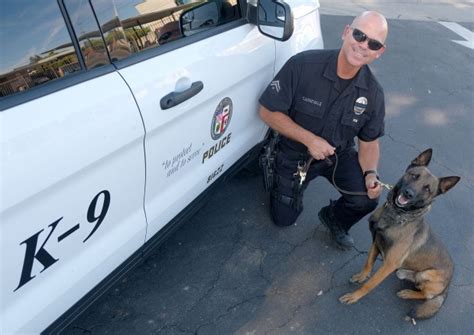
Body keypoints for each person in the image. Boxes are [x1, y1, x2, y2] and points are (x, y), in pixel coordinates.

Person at [258, 11, 389, 250]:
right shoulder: (303, 65)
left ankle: (334, 218)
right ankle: (284, 179)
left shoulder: (373, 94)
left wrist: (371, 173)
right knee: (283, 219)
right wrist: (309, 140)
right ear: (346, 31)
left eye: (373, 43)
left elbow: (369, 143)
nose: (363, 46)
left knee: (366, 198)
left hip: (336, 155)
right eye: (359, 35)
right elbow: (267, 112)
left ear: (379, 52)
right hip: (293, 153)